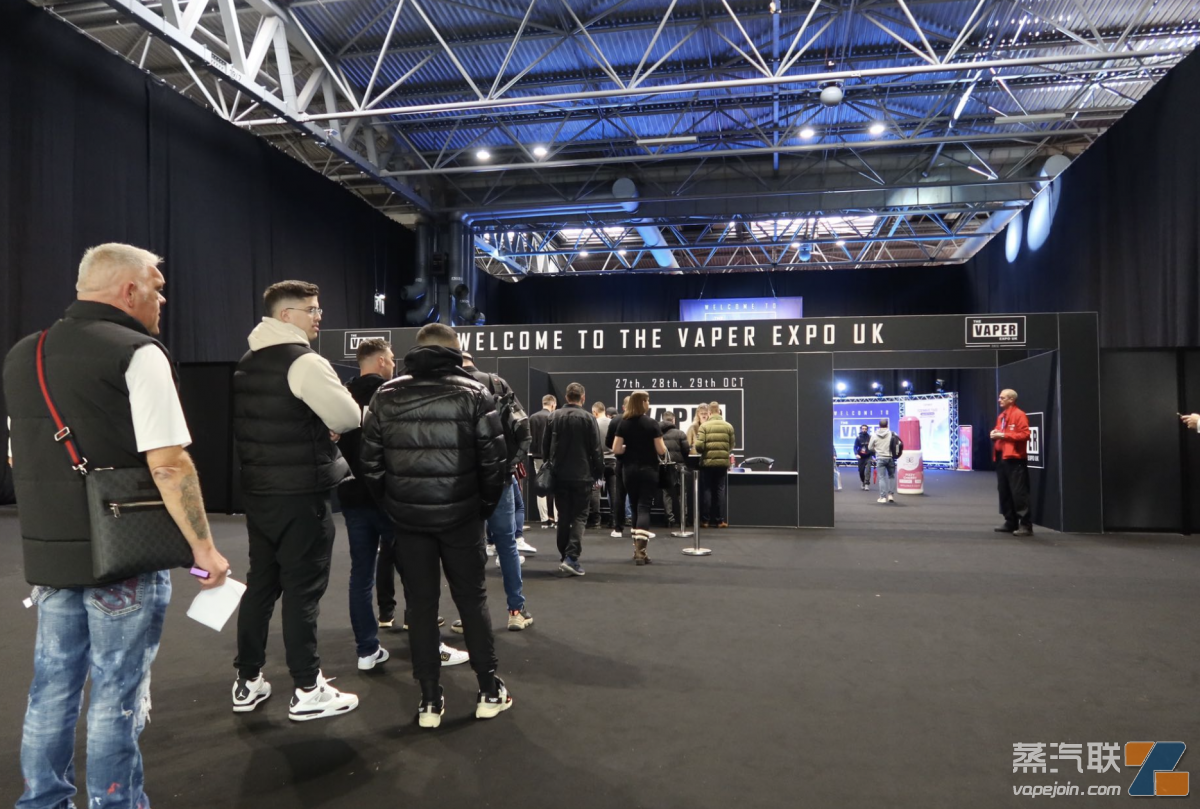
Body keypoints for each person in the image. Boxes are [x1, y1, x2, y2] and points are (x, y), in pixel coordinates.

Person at [3, 243, 231, 809]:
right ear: (129, 290)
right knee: (116, 693)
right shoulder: (138, 352)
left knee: (51, 686)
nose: (163, 299)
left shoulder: (26, 352)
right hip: (123, 554)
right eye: (157, 287)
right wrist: (204, 549)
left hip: (52, 554)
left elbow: (16, 455)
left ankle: (43, 801)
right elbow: (169, 463)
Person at [359, 323, 511, 727]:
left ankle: (429, 699)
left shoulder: (386, 394)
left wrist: (394, 506)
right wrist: (481, 509)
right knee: (472, 601)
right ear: (455, 351)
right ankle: (488, 689)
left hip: (409, 520)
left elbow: (370, 464)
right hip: (462, 518)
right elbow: (494, 464)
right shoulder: (475, 394)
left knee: (420, 606)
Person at [232, 280, 362, 721]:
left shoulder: (248, 361)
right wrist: (327, 423)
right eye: (312, 309)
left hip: (260, 491)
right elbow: (349, 415)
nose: (319, 316)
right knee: (303, 591)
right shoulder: (304, 361)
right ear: (286, 316)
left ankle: (247, 679)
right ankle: (307, 688)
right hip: (301, 493)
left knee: (261, 584)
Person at [461, 352, 534, 632]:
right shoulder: (496, 383)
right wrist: (510, 465)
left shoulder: (447, 386)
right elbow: (523, 429)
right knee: (506, 544)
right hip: (498, 478)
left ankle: (470, 615)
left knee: (467, 548)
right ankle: (516, 610)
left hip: (462, 482)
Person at [545, 382, 604, 576]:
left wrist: (548, 468)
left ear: (566, 397)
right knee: (580, 516)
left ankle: (565, 556)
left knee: (563, 516)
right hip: (582, 475)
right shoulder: (588, 418)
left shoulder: (554, 417)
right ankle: (571, 557)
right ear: (583, 398)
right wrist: (598, 473)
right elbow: (596, 449)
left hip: (559, 474)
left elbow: (546, 446)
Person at [613, 391, 669, 564]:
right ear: (643, 402)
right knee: (644, 507)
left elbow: (616, 449)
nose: (649, 403)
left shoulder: (624, 423)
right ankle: (641, 551)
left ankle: (636, 549)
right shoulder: (652, 423)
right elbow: (661, 450)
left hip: (629, 470)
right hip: (648, 470)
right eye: (648, 400)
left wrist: (628, 448)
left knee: (634, 506)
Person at [992, 389, 1033, 536]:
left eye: (1002, 398)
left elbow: (1025, 434)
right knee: (1004, 491)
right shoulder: (1002, 416)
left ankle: (1026, 525)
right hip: (1001, 457)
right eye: (999, 397)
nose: (999, 400)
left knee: (1018, 493)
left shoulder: (1019, 414)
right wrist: (994, 433)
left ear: (1011, 400)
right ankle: (1010, 522)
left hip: (1015, 459)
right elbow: (999, 431)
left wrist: (1004, 435)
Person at [694, 401, 735, 528]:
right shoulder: (728, 426)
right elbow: (731, 445)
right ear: (719, 411)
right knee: (720, 490)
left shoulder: (704, 427)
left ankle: (705, 521)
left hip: (707, 463)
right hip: (722, 463)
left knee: (707, 490)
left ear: (709, 412)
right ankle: (720, 520)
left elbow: (699, 446)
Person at [528, 394, 557, 527]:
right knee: (555, 486)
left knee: (541, 484)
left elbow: (529, 438)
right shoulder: (553, 417)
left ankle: (544, 519)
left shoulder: (533, 417)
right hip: (551, 456)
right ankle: (556, 518)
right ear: (553, 404)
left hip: (537, 456)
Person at [604, 395, 630, 537]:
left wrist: (619, 447)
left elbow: (608, 442)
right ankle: (639, 528)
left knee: (620, 495)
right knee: (639, 497)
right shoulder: (645, 420)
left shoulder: (616, 420)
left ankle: (618, 528)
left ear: (623, 407)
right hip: (639, 463)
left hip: (621, 461)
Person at [659, 411, 690, 527]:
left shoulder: (659, 434)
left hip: (665, 467)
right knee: (681, 493)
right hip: (679, 466)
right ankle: (683, 519)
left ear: (663, 420)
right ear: (673, 420)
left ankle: (669, 519)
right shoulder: (680, 433)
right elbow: (686, 451)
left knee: (666, 494)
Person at [586, 401, 608, 527]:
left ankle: (596, 519)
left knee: (595, 489)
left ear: (595, 412)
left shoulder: (593, 424)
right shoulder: (612, 423)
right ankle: (615, 520)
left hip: (597, 462)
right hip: (612, 461)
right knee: (614, 491)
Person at [867, 418, 898, 504]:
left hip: (880, 458)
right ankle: (891, 495)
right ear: (887, 425)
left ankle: (883, 497)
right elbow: (898, 444)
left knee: (881, 478)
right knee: (891, 476)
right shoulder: (893, 434)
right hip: (890, 457)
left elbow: (869, 447)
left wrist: (877, 450)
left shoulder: (874, 435)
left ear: (879, 425)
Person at [853, 424, 873, 491]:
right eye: (863, 428)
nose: (864, 430)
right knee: (861, 471)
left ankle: (867, 483)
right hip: (860, 456)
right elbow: (855, 447)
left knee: (868, 470)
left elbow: (873, 447)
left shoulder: (870, 437)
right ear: (861, 429)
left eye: (865, 429)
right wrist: (856, 454)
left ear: (867, 430)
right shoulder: (858, 438)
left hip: (868, 456)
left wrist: (874, 456)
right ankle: (863, 481)